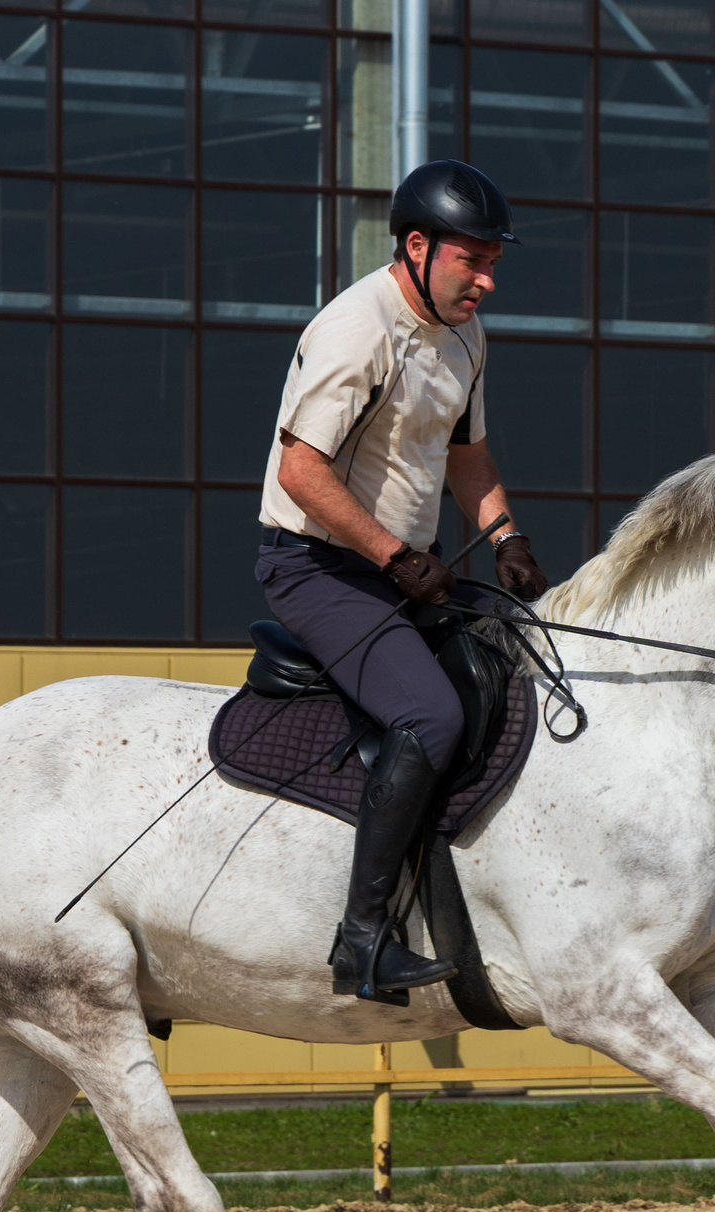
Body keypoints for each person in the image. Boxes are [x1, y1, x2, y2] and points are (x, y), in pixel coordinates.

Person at [255, 159, 551, 1005]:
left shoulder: (466, 335)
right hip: (316, 565)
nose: (488, 280)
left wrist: (505, 535)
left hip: (397, 571)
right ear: (417, 247)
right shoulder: (357, 330)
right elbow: (303, 471)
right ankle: (362, 944)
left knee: (509, 676)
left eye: (495, 262)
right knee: (430, 713)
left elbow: (467, 454)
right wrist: (394, 555)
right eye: (473, 261)